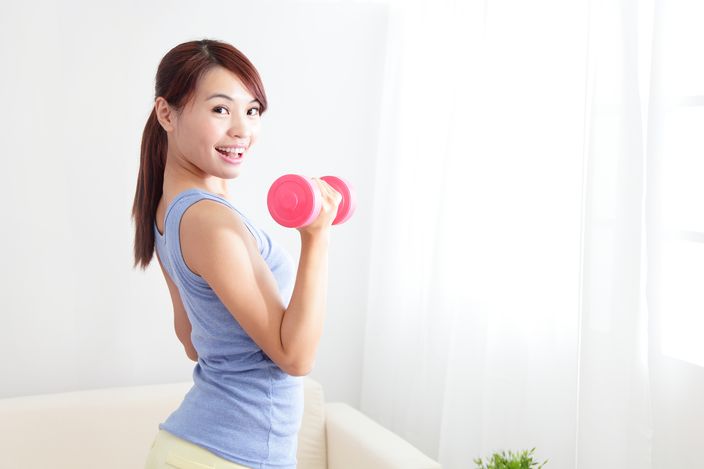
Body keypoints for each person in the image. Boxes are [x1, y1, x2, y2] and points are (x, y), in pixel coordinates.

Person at [131, 39, 341, 469]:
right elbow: (296, 356)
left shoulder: (169, 209)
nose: (242, 129)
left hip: (196, 451)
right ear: (166, 113)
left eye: (252, 111)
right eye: (220, 109)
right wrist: (316, 237)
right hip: (230, 456)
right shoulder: (211, 222)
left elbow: (192, 339)